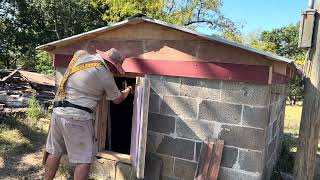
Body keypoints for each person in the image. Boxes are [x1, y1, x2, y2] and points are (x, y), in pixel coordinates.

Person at [44, 48, 134, 180]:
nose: (114, 71)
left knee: (54, 152)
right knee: (84, 160)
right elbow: (117, 99)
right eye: (115, 68)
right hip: (77, 118)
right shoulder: (104, 73)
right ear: (111, 63)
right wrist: (129, 89)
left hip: (58, 111)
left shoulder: (83, 58)